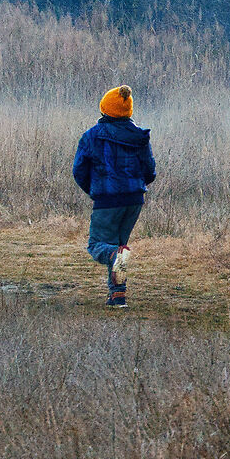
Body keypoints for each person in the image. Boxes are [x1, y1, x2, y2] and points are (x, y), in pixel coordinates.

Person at [72, 85, 156, 309]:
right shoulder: (139, 136)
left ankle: (112, 263)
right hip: (134, 200)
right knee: (120, 247)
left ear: (105, 109)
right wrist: (135, 187)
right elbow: (150, 170)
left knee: (99, 246)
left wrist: (95, 191)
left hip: (107, 200)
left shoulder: (92, 136)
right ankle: (118, 296)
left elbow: (79, 171)